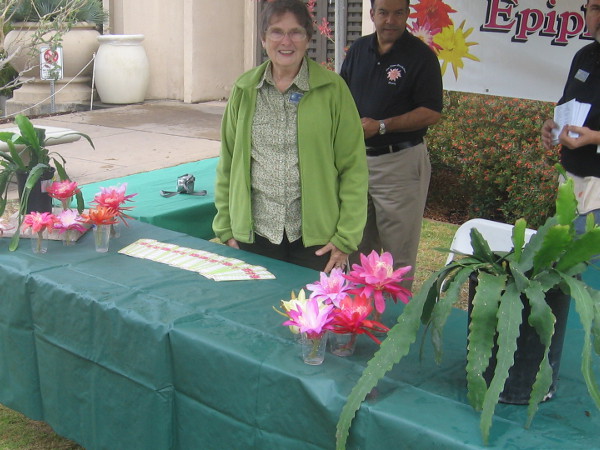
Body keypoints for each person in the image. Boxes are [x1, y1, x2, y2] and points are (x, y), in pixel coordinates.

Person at [213, 0, 368, 273]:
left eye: (296, 32)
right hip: (254, 235)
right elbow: (227, 163)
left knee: (313, 314)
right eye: (276, 32)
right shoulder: (245, 90)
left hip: (317, 241)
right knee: (257, 314)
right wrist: (225, 226)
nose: (286, 41)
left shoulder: (332, 90)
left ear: (308, 38)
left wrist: (346, 236)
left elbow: (353, 168)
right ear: (263, 39)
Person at [340, 0, 443, 287]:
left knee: (397, 256)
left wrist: (382, 126)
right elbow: (341, 98)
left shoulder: (421, 56)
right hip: (357, 163)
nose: (391, 20)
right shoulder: (359, 49)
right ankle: (357, 320)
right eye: (383, 12)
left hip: (400, 163)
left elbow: (431, 112)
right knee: (357, 247)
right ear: (372, 14)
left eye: (399, 13)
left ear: (407, 15)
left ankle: (397, 324)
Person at [542, 0, 600, 234]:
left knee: (590, 266)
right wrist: (552, 126)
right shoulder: (584, 55)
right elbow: (568, 103)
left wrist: (594, 137)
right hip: (571, 178)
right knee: (567, 263)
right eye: (596, 8)